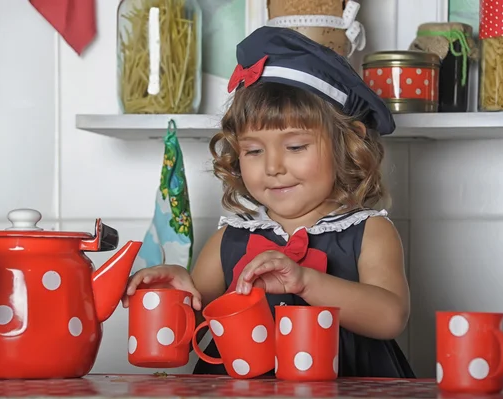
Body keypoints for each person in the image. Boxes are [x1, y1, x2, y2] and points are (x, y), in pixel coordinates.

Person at [122, 26, 415, 378]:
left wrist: (306, 281)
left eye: (295, 147)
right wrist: (172, 293)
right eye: (254, 150)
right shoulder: (228, 240)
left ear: (347, 143)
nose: (273, 167)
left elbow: (390, 318)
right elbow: (190, 334)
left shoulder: (370, 232)